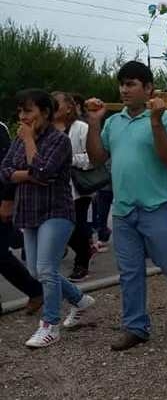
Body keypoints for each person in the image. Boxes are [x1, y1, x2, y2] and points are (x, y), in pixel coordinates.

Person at [86, 61, 167, 351]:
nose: (124, 90)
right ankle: (136, 327)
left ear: (148, 88)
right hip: (123, 210)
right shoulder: (114, 122)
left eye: (131, 84)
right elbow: (97, 158)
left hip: (156, 206)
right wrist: (94, 122)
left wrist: (156, 122)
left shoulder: (165, 118)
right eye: (122, 84)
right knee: (130, 272)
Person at [1, 89, 96, 348]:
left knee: (45, 269)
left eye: (28, 111)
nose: (23, 117)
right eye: (20, 112)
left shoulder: (58, 140)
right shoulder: (19, 138)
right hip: (29, 211)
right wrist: (28, 174)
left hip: (56, 210)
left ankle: (50, 325)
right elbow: (5, 171)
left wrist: (29, 146)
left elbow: (42, 170)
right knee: (36, 270)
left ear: (44, 112)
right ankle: (79, 300)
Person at [0, 119, 43, 315]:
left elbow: (8, 167)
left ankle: (35, 290)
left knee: (0, 255)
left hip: (1, 200)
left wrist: (7, 200)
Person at [51, 91, 94, 282]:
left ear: (69, 107)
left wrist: (69, 159)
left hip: (77, 189)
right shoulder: (46, 129)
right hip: (52, 189)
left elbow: (92, 158)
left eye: (56, 103)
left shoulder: (81, 128)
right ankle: (81, 250)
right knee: (59, 227)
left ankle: (82, 263)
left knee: (77, 227)